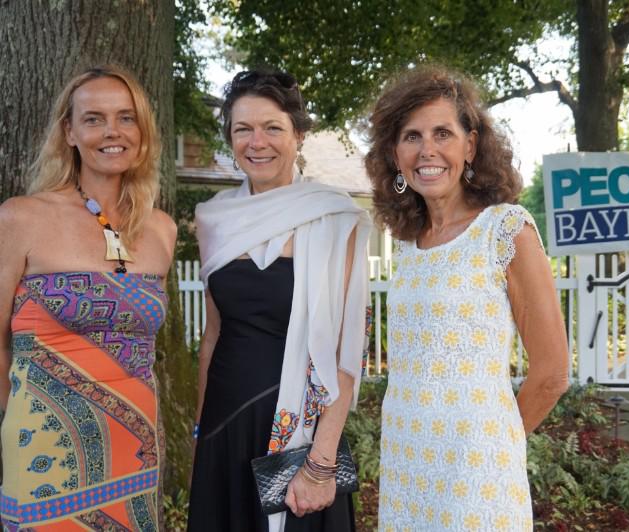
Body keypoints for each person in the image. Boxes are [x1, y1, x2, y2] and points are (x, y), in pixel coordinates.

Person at [364, 65, 570, 531]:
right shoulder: (407, 243)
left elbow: (553, 372)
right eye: (411, 137)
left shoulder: (505, 230)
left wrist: (493, 447)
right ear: (395, 155)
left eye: (443, 133)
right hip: (405, 461)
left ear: (470, 146)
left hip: (476, 473)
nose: (427, 150)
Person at [188, 69, 372, 532]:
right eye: (242, 129)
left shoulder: (335, 218)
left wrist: (322, 461)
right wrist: (198, 433)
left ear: (299, 134)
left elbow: (347, 351)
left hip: (302, 434)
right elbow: (213, 336)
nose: (257, 142)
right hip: (224, 426)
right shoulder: (214, 220)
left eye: (272, 127)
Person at [0, 65, 176, 530]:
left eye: (126, 118)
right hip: (42, 446)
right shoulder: (21, 218)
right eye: (94, 119)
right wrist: (12, 424)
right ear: (69, 132)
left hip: (135, 444)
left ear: (142, 131)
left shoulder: (162, 230)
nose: (112, 132)